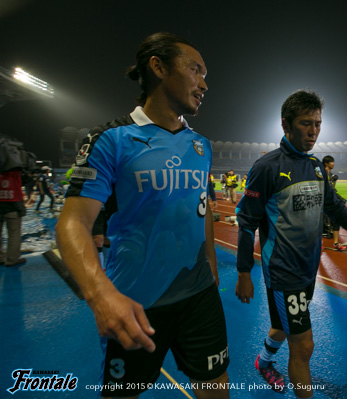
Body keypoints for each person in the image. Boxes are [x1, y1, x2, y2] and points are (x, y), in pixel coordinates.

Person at [55, 32, 229, 399]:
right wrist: (101, 295)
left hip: (199, 296)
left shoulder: (202, 145)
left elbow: (203, 206)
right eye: (195, 70)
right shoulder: (111, 139)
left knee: (217, 390)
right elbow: (73, 223)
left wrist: (211, 264)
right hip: (135, 301)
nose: (205, 83)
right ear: (159, 67)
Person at [235, 89, 347, 398]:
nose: (314, 131)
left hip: (307, 269)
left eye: (318, 123)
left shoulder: (316, 166)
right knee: (303, 346)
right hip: (282, 271)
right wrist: (244, 273)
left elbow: (334, 205)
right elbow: (247, 222)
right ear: (286, 124)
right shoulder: (267, 168)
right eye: (306, 123)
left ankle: (263, 362)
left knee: (283, 324)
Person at [0, 170, 27, 267]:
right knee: (14, 234)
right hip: (12, 203)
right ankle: (12, 260)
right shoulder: (15, 169)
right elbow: (26, 179)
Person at [322, 155, 346, 250]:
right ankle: (318, 244)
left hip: (331, 202)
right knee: (319, 224)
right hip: (322, 202)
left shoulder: (331, 175)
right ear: (326, 163)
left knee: (337, 220)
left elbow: (332, 189)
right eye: (331, 162)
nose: (333, 163)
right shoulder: (321, 174)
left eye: (333, 161)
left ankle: (335, 243)